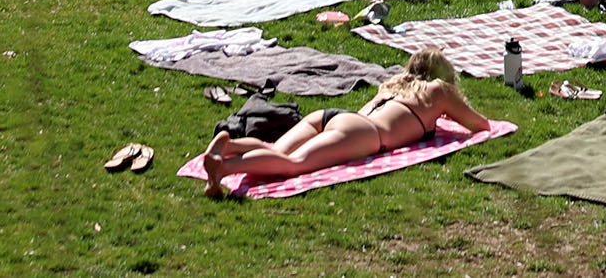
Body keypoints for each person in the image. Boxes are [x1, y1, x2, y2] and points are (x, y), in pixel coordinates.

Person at [196, 46, 492, 197]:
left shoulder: (392, 85)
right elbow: (480, 124)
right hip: (364, 133)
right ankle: (224, 168)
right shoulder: (438, 91)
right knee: (294, 164)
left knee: (275, 149)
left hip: (331, 117)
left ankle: (229, 143)